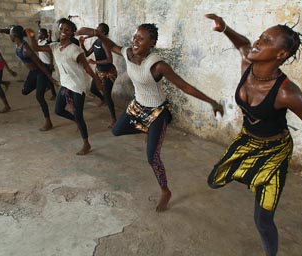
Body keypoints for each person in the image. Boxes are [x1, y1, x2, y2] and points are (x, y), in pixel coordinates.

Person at [205, 13, 302, 256]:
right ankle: (251, 176)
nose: (257, 42)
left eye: (266, 40)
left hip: (275, 152)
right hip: (246, 140)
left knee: (263, 220)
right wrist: (225, 28)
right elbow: (243, 43)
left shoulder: (287, 93)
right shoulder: (247, 64)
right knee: (214, 180)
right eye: (260, 37)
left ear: (281, 54)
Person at [75, 23, 224, 212]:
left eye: (141, 38)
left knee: (152, 156)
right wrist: (96, 34)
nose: (135, 41)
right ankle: (146, 129)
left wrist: (212, 102)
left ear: (152, 43)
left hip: (156, 112)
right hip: (137, 106)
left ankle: (165, 191)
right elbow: (112, 46)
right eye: (135, 36)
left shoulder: (157, 65)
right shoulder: (128, 53)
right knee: (116, 130)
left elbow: (184, 86)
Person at [25, 18, 103, 155]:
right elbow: (36, 48)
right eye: (61, 29)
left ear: (72, 32)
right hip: (66, 84)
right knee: (58, 110)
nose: (63, 32)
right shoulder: (54, 46)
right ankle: (76, 121)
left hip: (78, 86)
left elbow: (87, 68)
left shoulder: (75, 50)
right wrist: (31, 37)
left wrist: (97, 81)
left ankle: (86, 143)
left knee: (79, 115)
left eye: (67, 30)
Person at [0, 25, 55, 131]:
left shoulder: (26, 49)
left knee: (39, 97)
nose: (9, 35)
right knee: (24, 91)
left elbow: (41, 64)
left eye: (10, 34)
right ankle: (42, 85)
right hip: (32, 73)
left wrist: (51, 78)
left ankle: (48, 122)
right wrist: (0, 30)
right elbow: (10, 31)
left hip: (41, 72)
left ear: (14, 36)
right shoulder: (17, 43)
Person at [79, 23, 118, 128]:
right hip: (100, 72)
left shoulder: (105, 43)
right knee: (93, 89)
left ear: (104, 32)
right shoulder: (96, 41)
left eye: (98, 29)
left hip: (109, 72)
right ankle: (103, 99)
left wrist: (95, 62)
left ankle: (114, 119)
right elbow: (87, 54)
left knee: (107, 94)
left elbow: (110, 60)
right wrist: (82, 44)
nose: (96, 30)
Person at [37, 27, 57, 100]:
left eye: (39, 33)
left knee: (49, 79)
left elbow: (51, 54)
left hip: (48, 63)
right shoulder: (39, 41)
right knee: (47, 78)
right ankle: (49, 88)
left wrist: (51, 64)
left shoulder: (46, 42)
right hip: (42, 63)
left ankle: (54, 94)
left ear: (43, 35)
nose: (38, 34)